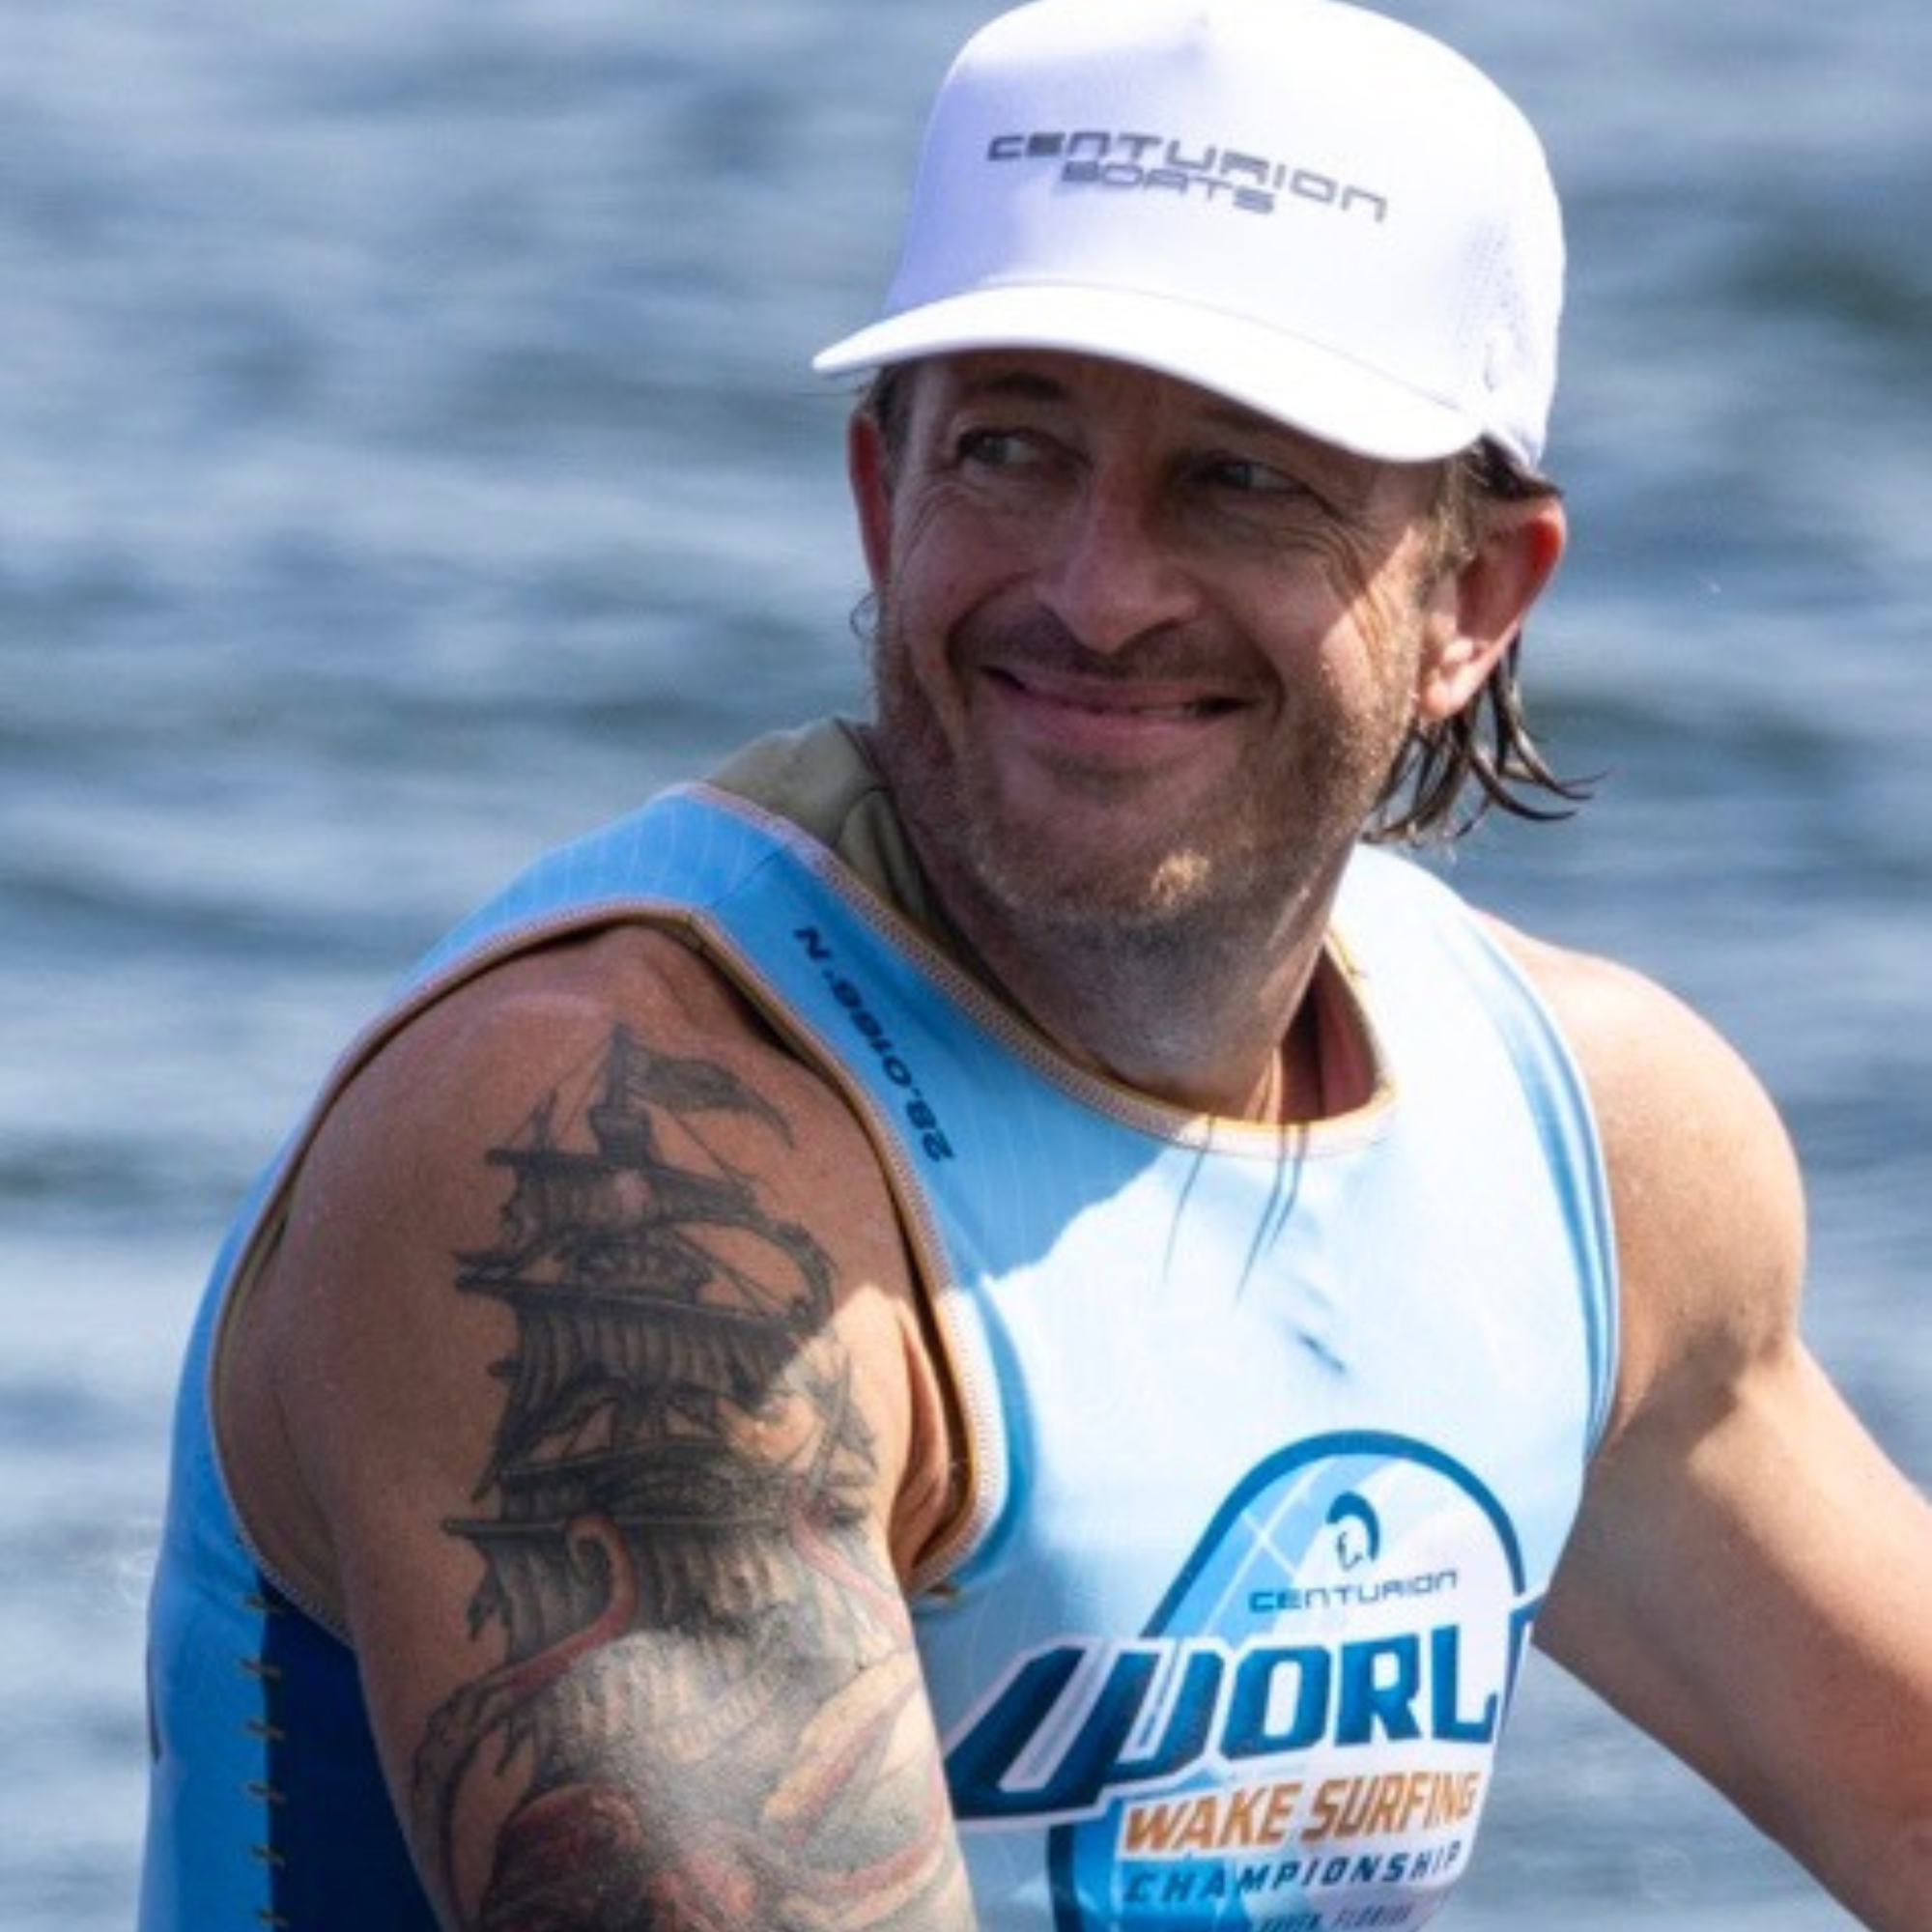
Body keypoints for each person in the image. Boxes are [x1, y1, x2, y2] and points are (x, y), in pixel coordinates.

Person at [140, 1, 1932, 1927]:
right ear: (879, 496)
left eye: (1242, 478)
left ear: (1472, 597)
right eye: (1009, 450)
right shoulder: (620, 1171)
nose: (1096, 592)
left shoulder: (1587, 1150)